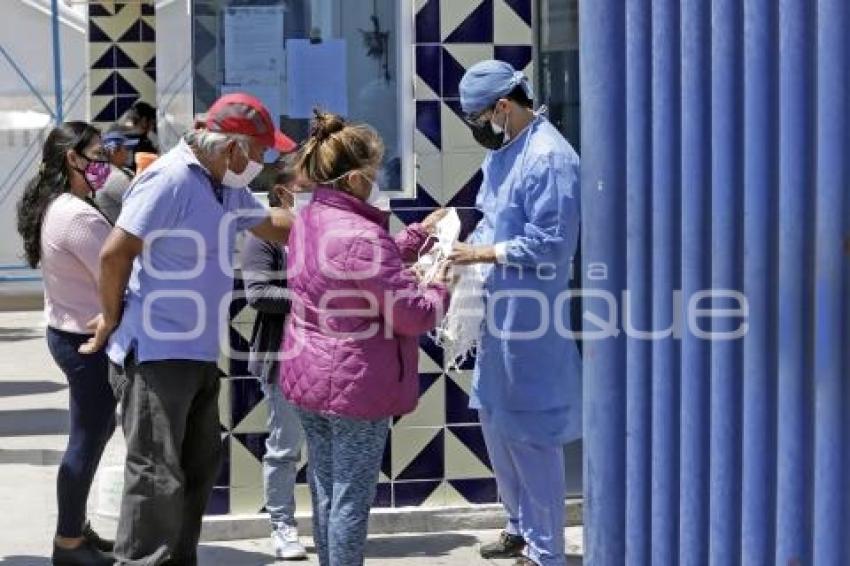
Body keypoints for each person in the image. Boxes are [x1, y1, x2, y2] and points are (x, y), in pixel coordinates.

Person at [80, 92, 297, 565]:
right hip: (157, 351)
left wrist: (347, 224)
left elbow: (273, 225)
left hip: (197, 351)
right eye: (259, 152)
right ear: (232, 146)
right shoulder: (169, 179)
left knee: (197, 470)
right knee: (156, 478)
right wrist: (112, 318)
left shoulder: (223, 184)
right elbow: (114, 254)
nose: (262, 163)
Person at [280, 110, 453, 566]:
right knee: (351, 498)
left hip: (308, 376)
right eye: (375, 173)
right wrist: (442, 285)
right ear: (355, 178)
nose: (378, 181)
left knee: (325, 486)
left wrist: (415, 238)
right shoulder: (361, 234)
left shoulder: (310, 217)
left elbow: (353, 271)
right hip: (355, 385)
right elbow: (412, 315)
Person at [450, 60, 582, 566]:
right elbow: (492, 222)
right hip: (497, 314)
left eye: (479, 118)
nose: (478, 129)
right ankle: (518, 527)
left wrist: (482, 255)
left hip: (531, 320)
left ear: (503, 107)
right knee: (497, 425)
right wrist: (455, 246)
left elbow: (552, 242)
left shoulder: (548, 157)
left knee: (531, 436)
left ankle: (547, 551)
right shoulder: (507, 154)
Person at [15, 122, 117, 566]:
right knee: (87, 437)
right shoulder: (77, 216)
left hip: (71, 332)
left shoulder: (63, 204)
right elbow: (118, 275)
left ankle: (74, 527)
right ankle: (68, 544)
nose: (105, 160)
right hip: (84, 339)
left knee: (91, 433)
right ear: (72, 159)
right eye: (97, 152)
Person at [240, 156, 307, 560]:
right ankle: (282, 526)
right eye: (305, 187)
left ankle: (332, 524)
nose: (315, 194)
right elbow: (259, 294)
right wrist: (317, 301)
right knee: (284, 448)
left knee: (326, 450)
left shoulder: (322, 231)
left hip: (324, 356)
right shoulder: (263, 236)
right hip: (281, 356)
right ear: (282, 192)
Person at [95, 127, 138, 223]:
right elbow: (140, 201)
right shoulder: (113, 177)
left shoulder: (122, 171)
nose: (128, 153)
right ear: (114, 151)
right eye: (126, 149)